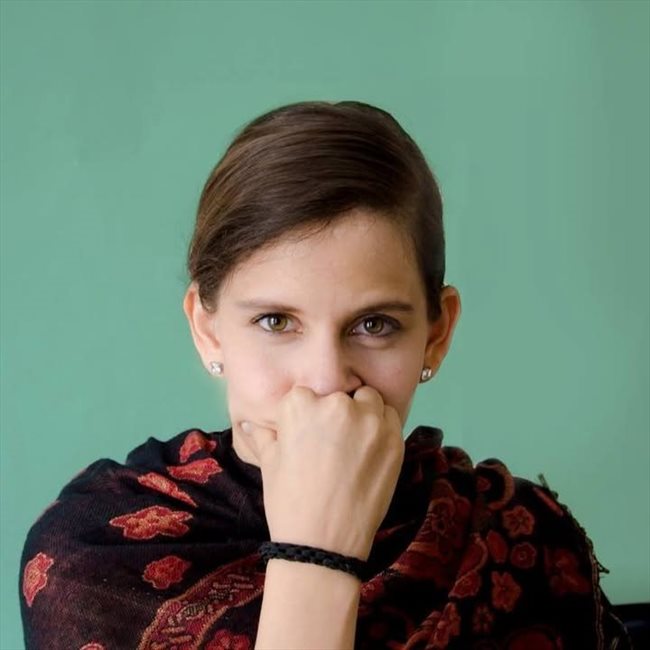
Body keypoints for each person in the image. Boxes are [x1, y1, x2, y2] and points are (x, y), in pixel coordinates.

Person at [19, 100, 632, 650]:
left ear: (436, 333)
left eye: (374, 325)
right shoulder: (95, 560)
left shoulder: (519, 541)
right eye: (276, 321)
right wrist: (318, 554)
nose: (325, 380)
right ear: (208, 330)